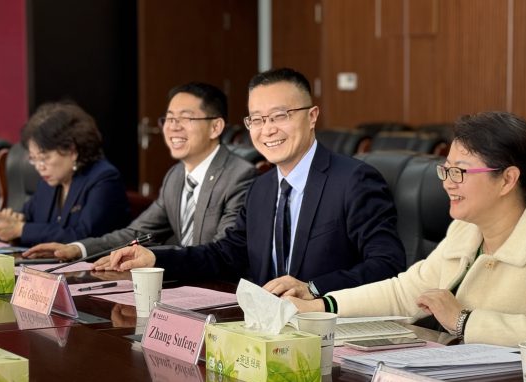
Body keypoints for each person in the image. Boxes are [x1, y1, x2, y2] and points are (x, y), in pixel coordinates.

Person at [99, 68, 405, 296]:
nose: (267, 129)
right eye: (256, 119)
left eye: (280, 116)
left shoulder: (353, 180)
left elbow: (387, 263)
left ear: (312, 116)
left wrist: (313, 289)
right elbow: (226, 254)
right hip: (266, 331)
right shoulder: (262, 187)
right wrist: (155, 257)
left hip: (327, 327)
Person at [285, 111, 526, 347]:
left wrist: (463, 320)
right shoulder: (465, 230)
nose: (447, 183)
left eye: (459, 172)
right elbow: (404, 292)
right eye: (446, 169)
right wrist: (320, 305)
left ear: (507, 180)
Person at [23, 82, 257, 260]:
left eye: (185, 118)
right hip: (183, 284)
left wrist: (156, 259)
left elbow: (222, 252)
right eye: (169, 119)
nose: (173, 127)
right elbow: (136, 232)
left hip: (220, 289)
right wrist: (78, 249)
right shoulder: (175, 176)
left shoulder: (239, 176)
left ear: (215, 127)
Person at [0, 102, 130, 247]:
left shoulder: (104, 179)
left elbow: (84, 237)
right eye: (33, 158)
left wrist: (21, 229)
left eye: (44, 158)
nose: (39, 167)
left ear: (72, 151)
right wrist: (12, 222)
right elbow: (28, 218)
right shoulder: (49, 180)